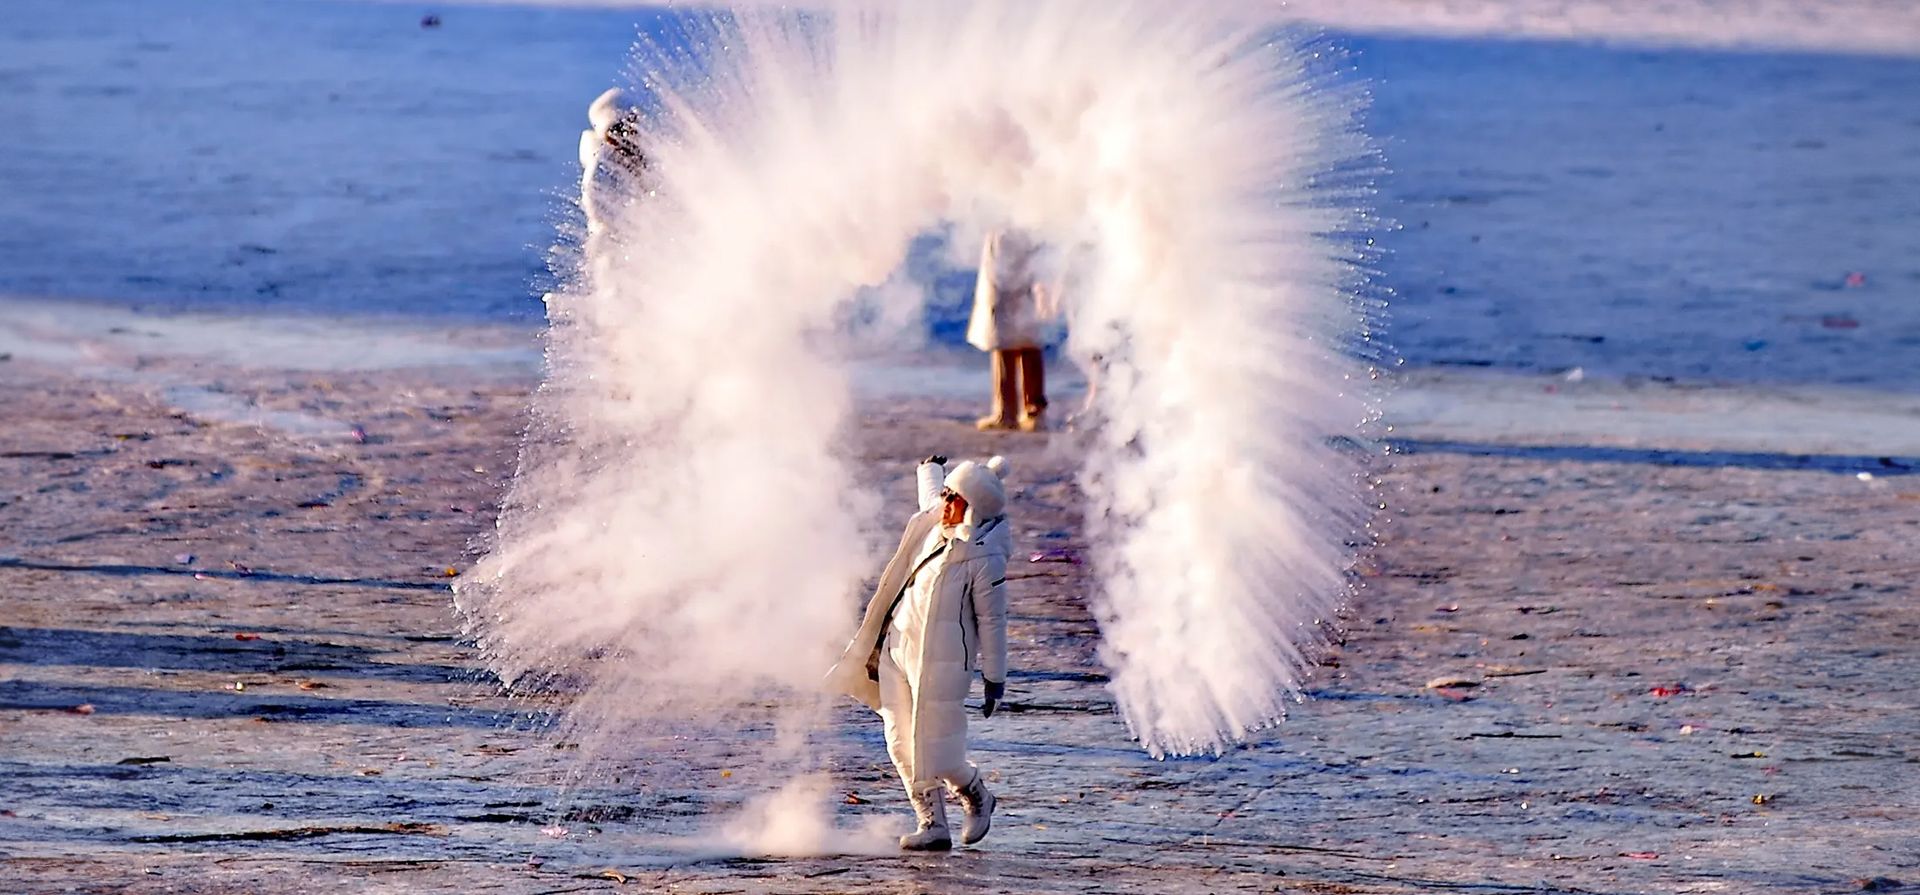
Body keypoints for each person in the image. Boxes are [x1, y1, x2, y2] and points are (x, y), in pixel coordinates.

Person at [827, 454, 1012, 851]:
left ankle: (977, 792)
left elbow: (993, 621)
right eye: (946, 495)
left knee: (939, 750)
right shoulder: (934, 525)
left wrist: (995, 678)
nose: (945, 504)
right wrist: (930, 470)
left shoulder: (984, 557)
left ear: (973, 509)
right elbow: (928, 496)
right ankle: (931, 823)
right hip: (898, 652)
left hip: (943, 667)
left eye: (954, 499)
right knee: (900, 741)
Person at [969, 230, 1054, 432]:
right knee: (1015, 332)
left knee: (1011, 333)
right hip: (1021, 249)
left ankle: (1014, 410)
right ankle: (1024, 408)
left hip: (1014, 251)